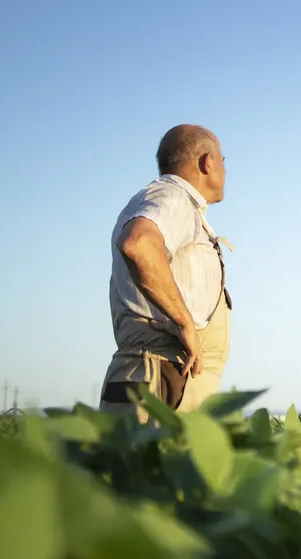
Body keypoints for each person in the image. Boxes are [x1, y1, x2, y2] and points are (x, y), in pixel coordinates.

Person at [98, 124, 233, 421]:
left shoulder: (173, 203)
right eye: (223, 160)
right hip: (161, 379)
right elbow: (139, 243)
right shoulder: (171, 197)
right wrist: (184, 322)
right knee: (150, 466)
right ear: (207, 162)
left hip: (167, 378)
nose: (225, 168)